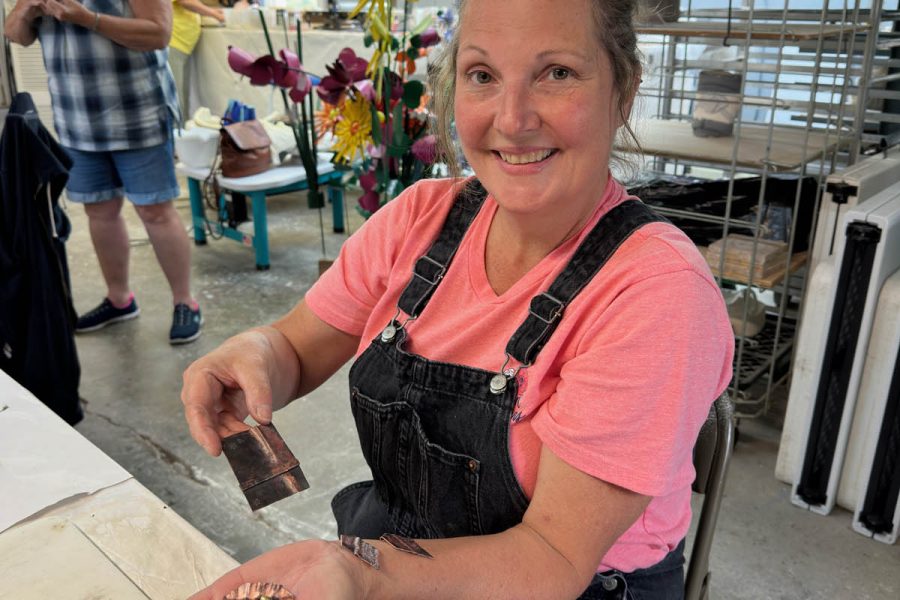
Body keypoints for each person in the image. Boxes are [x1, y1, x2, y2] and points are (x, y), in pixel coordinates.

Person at [181, 0, 734, 598]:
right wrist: (254, 355)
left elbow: (551, 558)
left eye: (557, 73)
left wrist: (359, 576)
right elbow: (293, 344)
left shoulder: (657, 296)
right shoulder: (419, 221)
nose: (513, 119)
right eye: (483, 76)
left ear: (622, 91)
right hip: (397, 558)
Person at [4, 0, 203, 345]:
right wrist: (26, 10)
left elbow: (159, 33)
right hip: (76, 118)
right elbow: (15, 35)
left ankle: (185, 302)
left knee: (155, 211)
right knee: (99, 210)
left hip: (138, 113)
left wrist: (87, 18)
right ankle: (119, 299)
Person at [168, 0, 225, 124]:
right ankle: (177, 134)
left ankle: (182, 132)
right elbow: (186, 2)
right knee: (177, 96)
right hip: (174, 42)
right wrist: (214, 14)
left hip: (182, 45)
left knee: (183, 94)